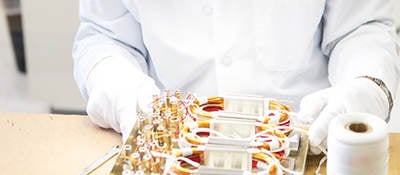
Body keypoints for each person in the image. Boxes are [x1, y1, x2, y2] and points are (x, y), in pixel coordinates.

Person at [73, 1, 400, 153]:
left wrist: (366, 85)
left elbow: (361, 27)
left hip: (308, 141)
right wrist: (125, 95)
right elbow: (106, 35)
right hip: (171, 148)